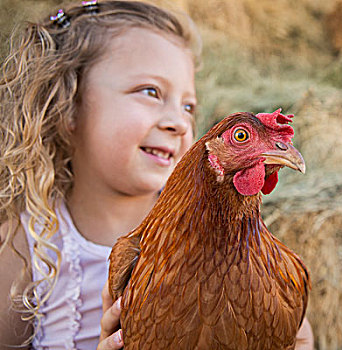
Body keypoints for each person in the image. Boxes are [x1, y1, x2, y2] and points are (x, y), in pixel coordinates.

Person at [0, 1, 314, 349]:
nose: (179, 122)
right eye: (150, 92)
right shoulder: (24, 246)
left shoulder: (239, 241)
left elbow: (298, 338)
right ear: (66, 105)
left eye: (188, 106)